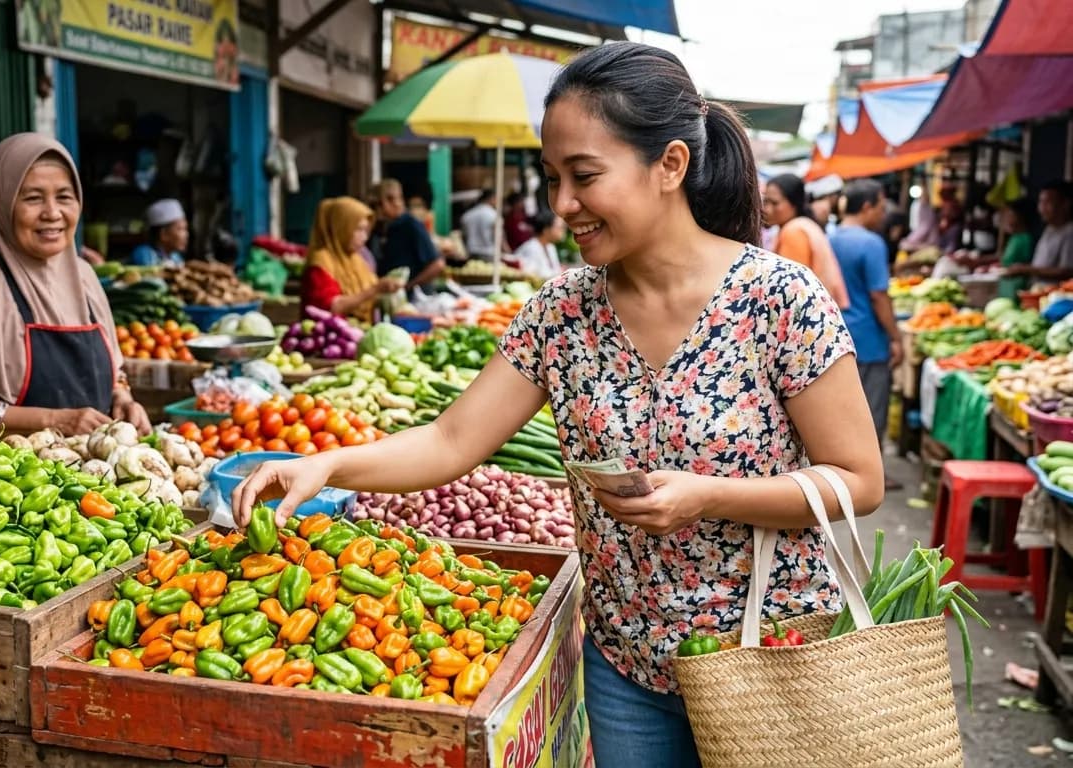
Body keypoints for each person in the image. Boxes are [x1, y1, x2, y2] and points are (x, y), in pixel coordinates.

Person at [233, 42, 882, 768]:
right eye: (551, 178)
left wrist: (709, 496)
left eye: (584, 176)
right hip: (625, 664)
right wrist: (326, 465)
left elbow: (858, 481)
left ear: (670, 165)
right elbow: (450, 440)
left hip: (769, 658)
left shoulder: (780, 300)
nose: (561, 204)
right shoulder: (562, 311)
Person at [0, 133, 150, 444]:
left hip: (89, 469)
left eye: (64, 197)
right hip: (5, 472)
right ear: (3, 203)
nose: (52, 213)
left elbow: (113, 371)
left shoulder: (84, 277)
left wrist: (122, 398)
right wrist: (55, 421)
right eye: (33, 198)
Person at [829, 179, 902, 489]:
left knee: (837, 412)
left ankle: (836, 470)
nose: (883, 215)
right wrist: (896, 336)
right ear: (868, 206)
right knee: (871, 410)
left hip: (834, 337)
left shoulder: (828, 237)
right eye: (881, 208)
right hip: (868, 339)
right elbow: (878, 296)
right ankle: (872, 477)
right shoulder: (872, 243)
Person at [299, 197, 401, 322]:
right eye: (359, 229)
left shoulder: (356, 259)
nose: (365, 237)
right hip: (329, 332)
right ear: (341, 228)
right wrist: (375, 289)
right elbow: (332, 307)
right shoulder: (321, 261)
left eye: (366, 230)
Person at [762, 173, 850, 309]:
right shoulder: (804, 225)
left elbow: (791, 290)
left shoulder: (794, 231)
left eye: (775, 203)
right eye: (766, 202)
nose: (767, 209)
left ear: (794, 204)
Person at [368, 178, 445, 291]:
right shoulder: (376, 230)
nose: (396, 203)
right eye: (384, 201)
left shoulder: (411, 225)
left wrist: (409, 286)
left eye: (397, 198)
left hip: (413, 295)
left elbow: (437, 265)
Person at [1007, 181, 1073, 284]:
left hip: (1055, 292)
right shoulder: (1049, 228)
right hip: (1037, 290)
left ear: (1065, 204)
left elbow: (1067, 271)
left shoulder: (1069, 232)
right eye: (1041, 202)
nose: (1042, 208)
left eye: (1047, 203)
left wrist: (1026, 269)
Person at [130, 198, 188, 268]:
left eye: (185, 229)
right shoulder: (143, 254)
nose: (186, 235)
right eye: (180, 229)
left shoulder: (176, 257)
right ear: (164, 234)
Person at [512, 209, 566, 280]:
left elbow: (555, 271)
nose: (562, 231)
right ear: (546, 230)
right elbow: (536, 275)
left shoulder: (550, 247)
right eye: (560, 227)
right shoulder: (532, 248)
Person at [460, 188, 502, 260]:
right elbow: (497, 236)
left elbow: (464, 236)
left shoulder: (467, 215)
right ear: (492, 198)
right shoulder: (494, 215)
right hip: (489, 254)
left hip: (471, 253)